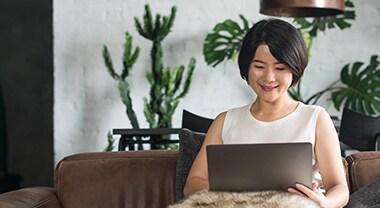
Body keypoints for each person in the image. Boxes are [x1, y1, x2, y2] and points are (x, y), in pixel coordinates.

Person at [183, 18, 349, 208]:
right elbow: (193, 184)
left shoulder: (315, 118)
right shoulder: (226, 121)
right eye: (259, 66)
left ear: (295, 68)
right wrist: (235, 196)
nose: (269, 78)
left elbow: (339, 188)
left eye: (280, 68)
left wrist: (325, 202)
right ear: (246, 67)